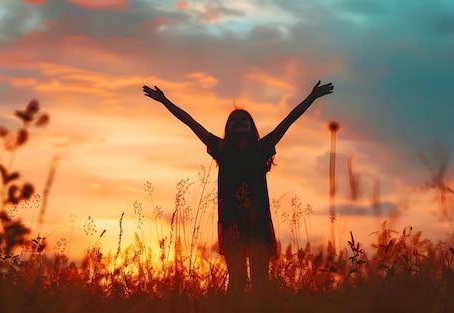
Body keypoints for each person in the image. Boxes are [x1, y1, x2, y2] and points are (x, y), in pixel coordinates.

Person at [142, 80, 334, 294]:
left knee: (261, 280)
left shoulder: (261, 148)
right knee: (238, 280)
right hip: (232, 223)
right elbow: (190, 122)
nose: (239, 121)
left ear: (252, 127)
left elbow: (288, 121)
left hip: (258, 222)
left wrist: (311, 97)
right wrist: (165, 101)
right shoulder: (221, 148)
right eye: (234, 119)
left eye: (245, 119)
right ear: (228, 128)